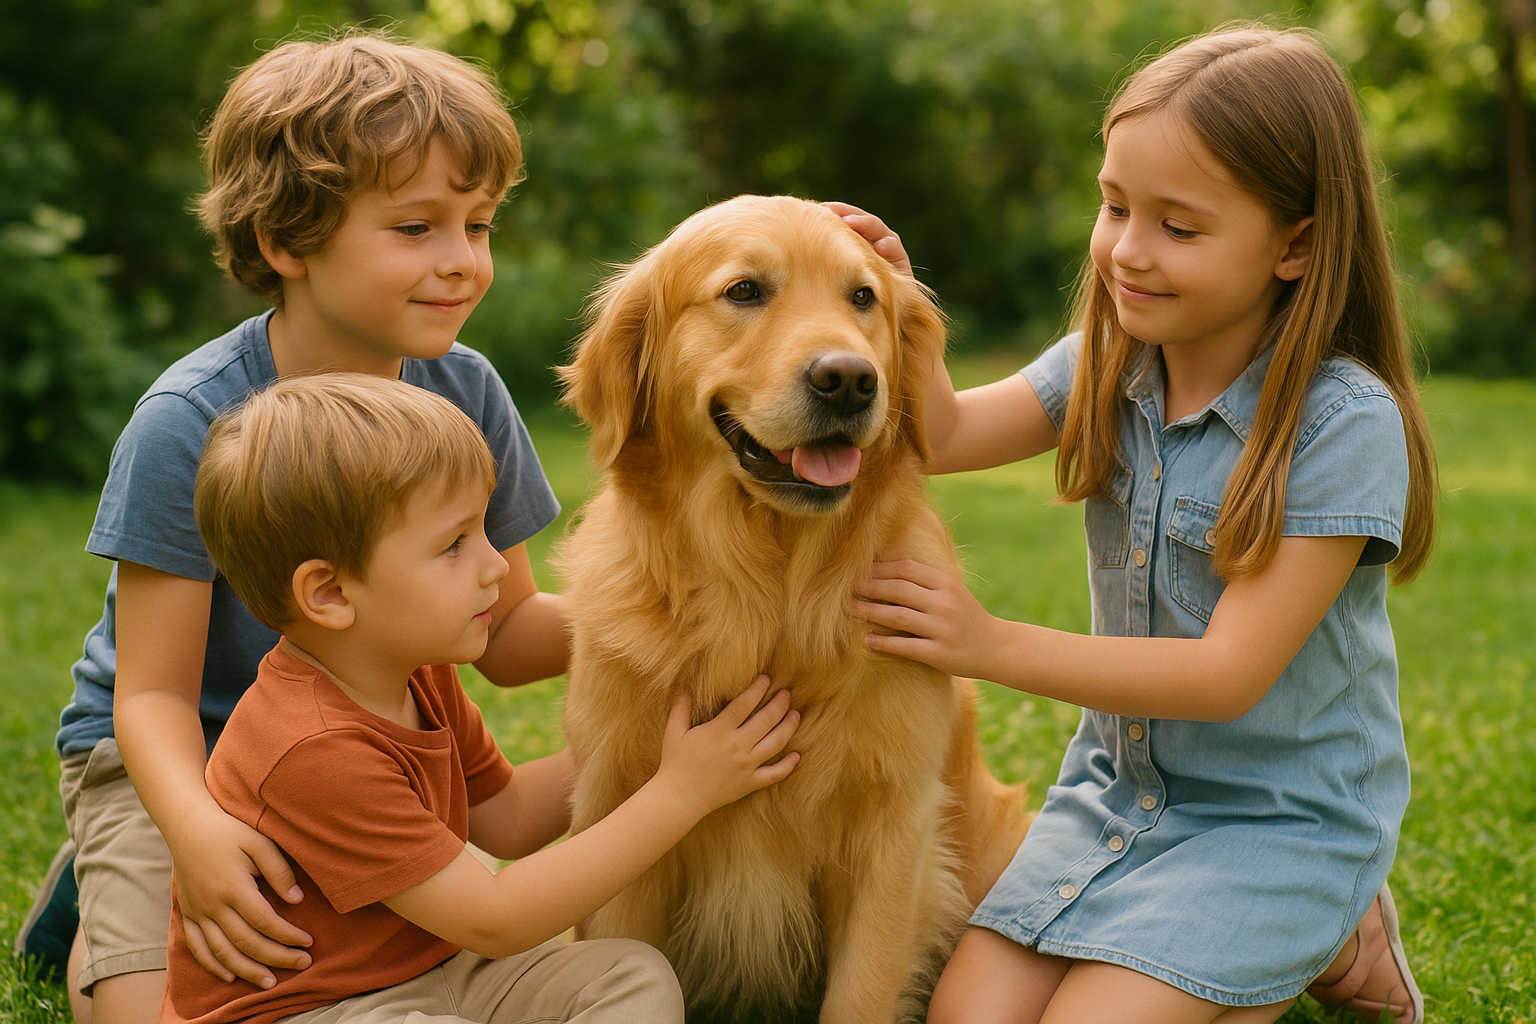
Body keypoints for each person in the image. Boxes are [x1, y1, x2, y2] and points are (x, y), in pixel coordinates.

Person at [836, 25, 1433, 1024]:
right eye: (1114, 206)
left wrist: (987, 643)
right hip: (1118, 799)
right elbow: (935, 434)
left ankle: (1334, 919)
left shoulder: (1342, 422)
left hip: (1277, 822)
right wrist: (895, 301)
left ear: (1296, 244)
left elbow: (1223, 675)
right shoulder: (1105, 365)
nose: (1128, 251)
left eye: (1180, 227)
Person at [42, 32, 568, 1024]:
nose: (462, 263)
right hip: (185, 756)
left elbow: (507, 634)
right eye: (416, 227)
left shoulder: (468, 388)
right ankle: (104, 897)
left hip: (362, 745)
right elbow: (150, 694)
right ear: (288, 242)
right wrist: (195, 830)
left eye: (480, 225)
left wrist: (679, 622)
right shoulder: (190, 420)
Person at [157, 374, 800, 1024]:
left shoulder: (416, 672)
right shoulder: (312, 747)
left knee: (629, 974)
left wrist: (655, 745)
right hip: (313, 1009)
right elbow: (496, 921)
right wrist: (681, 791)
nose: (497, 567)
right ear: (329, 593)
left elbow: (510, 817)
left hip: (434, 973)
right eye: (454, 545)